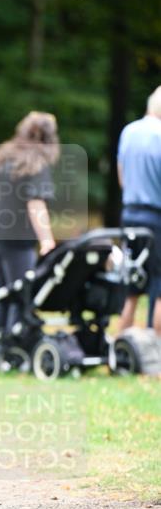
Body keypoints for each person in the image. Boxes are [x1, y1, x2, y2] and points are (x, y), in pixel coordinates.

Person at [0, 111, 59, 363]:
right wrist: (46, 239)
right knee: (20, 297)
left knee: (1, 296)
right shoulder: (36, 163)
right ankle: (13, 354)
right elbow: (35, 204)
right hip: (18, 241)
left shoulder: (5, 156)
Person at [117, 85, 161, 335]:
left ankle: (122, 341)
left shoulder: (128, 131)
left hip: (130, 214)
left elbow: (122, 177)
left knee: (131, 283)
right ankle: (156, 347)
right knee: (159, 286)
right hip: (156, 218)